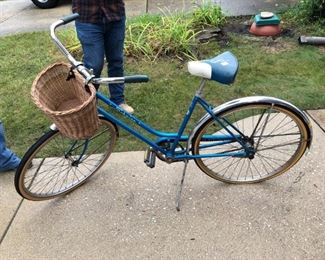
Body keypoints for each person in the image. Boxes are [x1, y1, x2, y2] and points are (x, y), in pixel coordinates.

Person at [72, 0, 134, 114]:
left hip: (115, 15)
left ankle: (118, 100)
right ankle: (88, 103)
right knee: (94, 65)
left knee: (116, 60)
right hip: (87, 18)